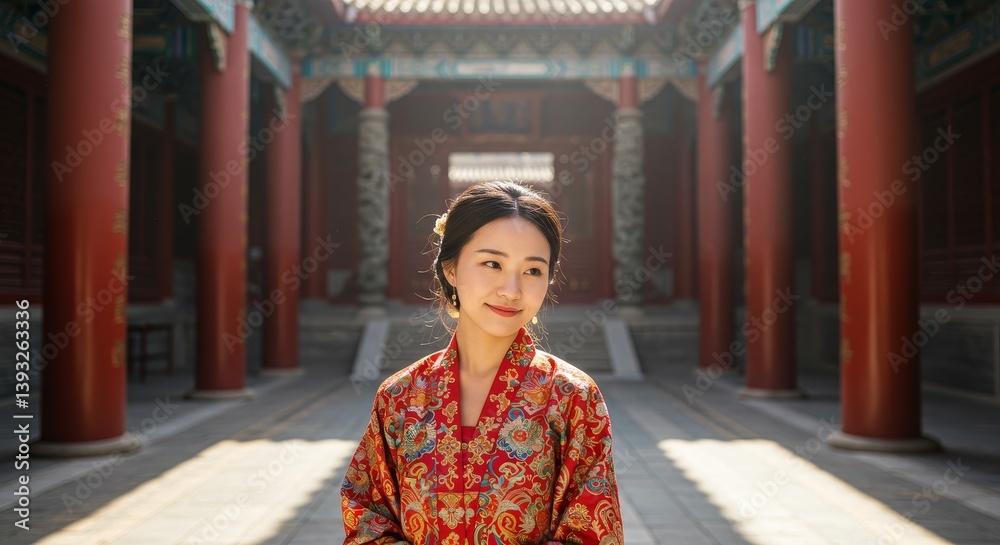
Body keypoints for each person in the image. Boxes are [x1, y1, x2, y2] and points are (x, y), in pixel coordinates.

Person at [341, 181, 624, 544]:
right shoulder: (399, 397)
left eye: (533, 270)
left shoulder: (572, 397)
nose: (512, 289)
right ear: (451, 269)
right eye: (492, 263)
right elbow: (367, 519)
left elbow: (594, 532)